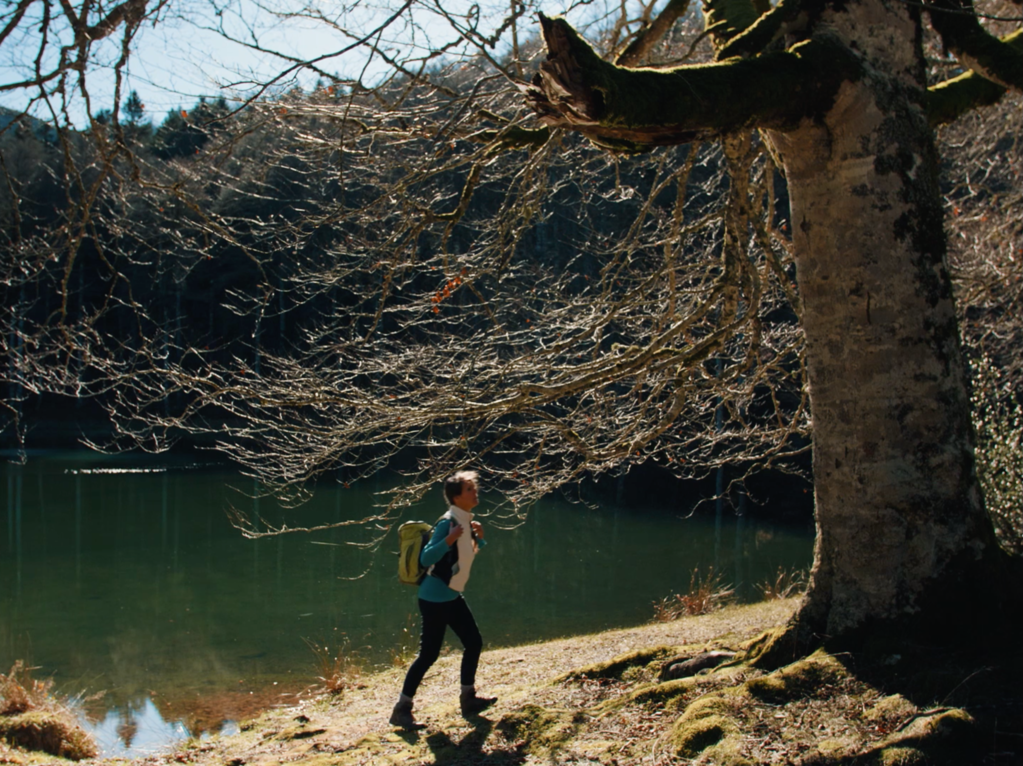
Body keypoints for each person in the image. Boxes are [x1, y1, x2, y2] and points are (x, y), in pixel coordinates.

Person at [390, 470, 496, 729]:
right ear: (457, 497)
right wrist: (449, 537)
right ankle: (401, 709)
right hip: (434, 598)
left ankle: (468, 698)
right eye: (470, 489)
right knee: (428, 655)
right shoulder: (447, 523)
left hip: (450, 596)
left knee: (473, 642)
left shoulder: (464, 520)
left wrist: (478, 540)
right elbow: (427, 559)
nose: (475, 492)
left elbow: (461, 558)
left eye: (474, 488)